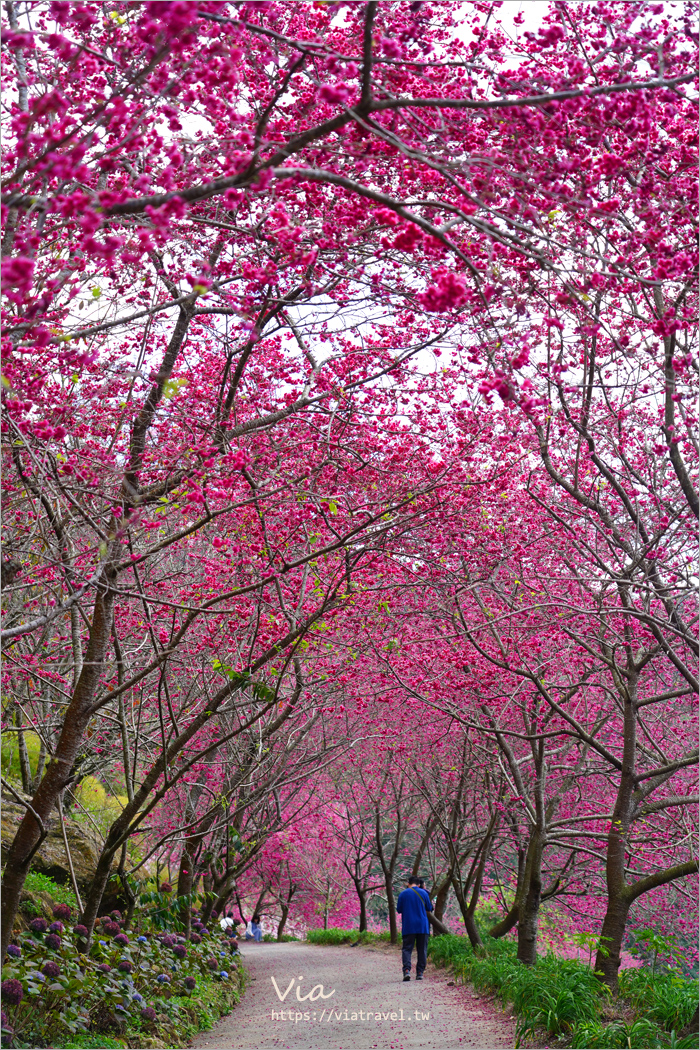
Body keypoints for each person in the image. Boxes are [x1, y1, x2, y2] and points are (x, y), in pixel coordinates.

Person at [396, 876, 433, 981]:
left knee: (407, 949)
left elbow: (399, 909)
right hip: (422, 926)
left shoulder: (403, 894)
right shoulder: (424, 893)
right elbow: (429, 908)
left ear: (408, 883)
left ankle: (407, 971)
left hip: (409, 926)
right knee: (422, 950)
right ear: (419, 884)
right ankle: (420, 972)